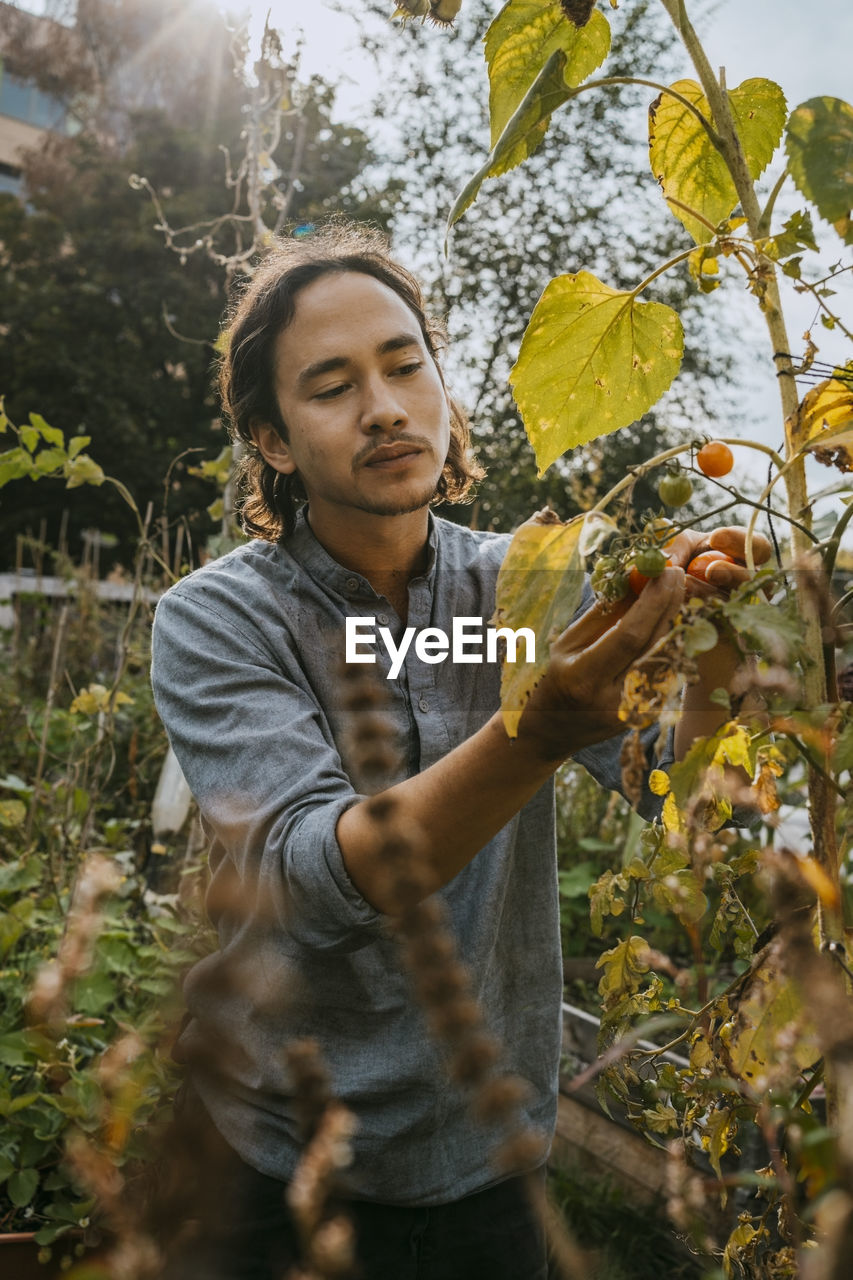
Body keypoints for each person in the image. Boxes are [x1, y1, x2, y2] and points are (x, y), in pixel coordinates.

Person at [150, 221, 767, 1279]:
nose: (384, 406)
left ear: (442, 383)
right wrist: (538, 727)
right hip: (276, 1158)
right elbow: (318, 876)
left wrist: (718, 641)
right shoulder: (218, 620)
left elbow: (672, 784)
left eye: (404, 365)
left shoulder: (522, 585)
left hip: (487, 1162)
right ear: (274, 440)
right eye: (332, 385)